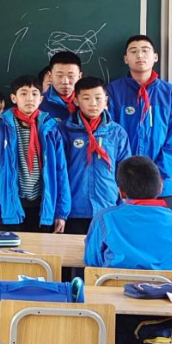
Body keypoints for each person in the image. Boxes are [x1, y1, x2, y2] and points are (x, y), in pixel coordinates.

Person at [0, 75, 70, 234]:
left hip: (43, 206)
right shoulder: (2, 128)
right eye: (23, 93)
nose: (29, 98)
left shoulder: (51, 128)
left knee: (41, 249)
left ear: (41, 99)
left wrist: (61, 212)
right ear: (14, 98)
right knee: (12, 249)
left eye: (34, 94)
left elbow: (60, 171)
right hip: (12, 204)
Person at [107, 35, 172, 199]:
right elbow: (110, 136)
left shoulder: (169, 93)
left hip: (160, 183)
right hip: (123, 182)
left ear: (155, 57)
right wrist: (124, 175)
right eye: (133, 51)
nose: (140, 55)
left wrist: (158, 175)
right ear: (126, 59)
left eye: (145, 50)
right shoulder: (113, 91)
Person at [85, 155, 172, 270]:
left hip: (114, 282)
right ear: (160, 187)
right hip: (166, 282)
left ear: (121, 192)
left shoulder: (104, 218)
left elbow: (92, 260)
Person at [59, 76, 129, 235]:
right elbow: (58, 172)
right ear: (76, 101)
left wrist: (123, 205)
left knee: (106, 249)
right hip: (74, 208)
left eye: (98, 98)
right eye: (86, 98)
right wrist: (60, 211)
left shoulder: (117, 132)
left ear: (106, 100)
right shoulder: (64, 131)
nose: (93, 103)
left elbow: (125, 171)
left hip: (108, 206)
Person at [41, 51, 82, 124]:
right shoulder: (39, 103)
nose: (65, 82)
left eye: (71, 76)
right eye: (59, 76)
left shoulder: (89, 100)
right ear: (50, 76)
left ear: (79, 76)